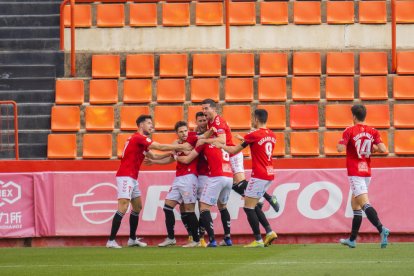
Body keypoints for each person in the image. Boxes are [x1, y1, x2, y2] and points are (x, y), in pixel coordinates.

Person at [106, 115, 192, 249]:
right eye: (149, 123)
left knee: (137, 207)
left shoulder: (139, 141)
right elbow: (159, 147)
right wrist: (180, 147)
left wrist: (174, 152)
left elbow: (154, 155)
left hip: (132, 178)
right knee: (123, 207)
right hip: (125, 176)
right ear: (141, 125)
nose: (152, 126)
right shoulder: (139, 137)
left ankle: (132, 239)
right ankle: (111, 241)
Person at [214, 109, 278, 247]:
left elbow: (233, 150)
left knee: (248, 208)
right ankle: (269, 232)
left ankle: (258, 239)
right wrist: (246, 140)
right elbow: (260, 147)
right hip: (269, 174)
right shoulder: (272, 135)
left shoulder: (253, 134)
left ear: (256, 119)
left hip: (259, 174)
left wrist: (221, 145)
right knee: (253, 205)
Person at [337, 104, 390, 248]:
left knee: (365, 204)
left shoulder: (349, 131)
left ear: (354, 116)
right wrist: (372, 147)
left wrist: (342, 144)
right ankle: (352, 239)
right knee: (355, 204)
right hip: (366, 171)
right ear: (364, 116)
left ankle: (381, 229)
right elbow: (383, 149)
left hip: (355, 172)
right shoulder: (373, 131)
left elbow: (340, 148)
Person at [146, 121, 203, 248]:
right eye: (181, 132)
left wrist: (175, 149)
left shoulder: (192, 139)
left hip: (190, 177)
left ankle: (196, 240)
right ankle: (171, 238)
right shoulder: (176, 144)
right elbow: (170, 158)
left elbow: (187, 153)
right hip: (179, 178)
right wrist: (154, 161)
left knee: (189, 210)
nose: (184, 133)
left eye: (185, 131)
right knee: (167, 207)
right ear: (177, 133)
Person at [177, 139, 233, 247]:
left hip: (215, 176)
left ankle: (211, 240)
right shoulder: (223, 142)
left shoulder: (204, 142)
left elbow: (188, 157)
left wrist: (175, 155)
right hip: (229, 175)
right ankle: (227, 238)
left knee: (204, 208)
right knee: (222, 206)